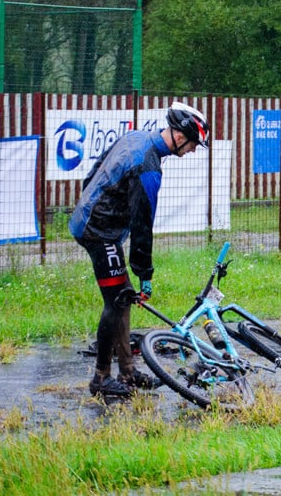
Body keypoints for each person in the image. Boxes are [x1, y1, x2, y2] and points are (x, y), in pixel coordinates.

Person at [70, 101, 210, 397]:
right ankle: (101, 378)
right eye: (194, 144)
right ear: (181, 136)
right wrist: (144, 272)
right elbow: (142, 225)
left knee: (122, 296)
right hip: (98, 230)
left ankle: (128, 372)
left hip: (93, 220)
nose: (194, 150)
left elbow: (93, 172)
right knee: (116, 301)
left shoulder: (136, 137)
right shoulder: (149, 167)